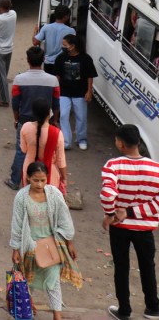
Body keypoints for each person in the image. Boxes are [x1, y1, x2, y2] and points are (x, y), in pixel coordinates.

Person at [101, 124, 159, 320]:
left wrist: (111, 214)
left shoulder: (113, 165)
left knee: (122, 267)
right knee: (148, 267)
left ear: (121, 143)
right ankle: (153, 308)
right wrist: (133, 212)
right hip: (145, 230)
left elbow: (108, 194)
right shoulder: (156, 169)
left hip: (120, 229)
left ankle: (124, 310)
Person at [11, 161, 82, 320]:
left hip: (52, 246)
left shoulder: (54, 194)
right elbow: (17, 224)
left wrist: (69, 242)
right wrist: (15, 248)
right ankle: (28, 303)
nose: (39, 184)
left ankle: (57, 315)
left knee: (53, 280)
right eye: (35, 180)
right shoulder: (21, 197)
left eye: (43, 180)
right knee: (28, 280)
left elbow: (65, 219)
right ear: (28, 178)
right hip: (29, 247)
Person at [7, 47, 60, 190]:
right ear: (43, 60)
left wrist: (16, 119)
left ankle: (14, 180)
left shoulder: (19, 79)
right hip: (46, 123)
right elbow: (56, 103)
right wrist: (54, 120)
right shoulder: (53, 80)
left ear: (28, 60)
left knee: (21, 151)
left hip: (25, 120)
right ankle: (42, 180)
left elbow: (15, 103)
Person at [54, 34, 96, 151]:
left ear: (72, 46)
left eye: (65, 45)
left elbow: (90, 76)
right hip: (64, 92)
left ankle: (81, 139)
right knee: (63, 116)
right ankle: (66, 141)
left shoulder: (86, 59)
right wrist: (55, 91)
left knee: (81, 117)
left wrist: (89, 91)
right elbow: (57, 76)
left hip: (80, 93)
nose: (63, 47)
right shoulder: (60, 58)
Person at [20, 98, 67, 191]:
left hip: (29, 171)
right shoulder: (57, 133)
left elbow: (24, 150)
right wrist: (64, 178)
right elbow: (61, 160)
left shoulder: (25, 127)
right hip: (48, 175)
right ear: (49, 113)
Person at [34, 6, 75, 76]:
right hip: (63, 62)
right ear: (66, 16)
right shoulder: (71, 31)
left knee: (50, 84)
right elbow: (73, 48)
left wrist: (35, 31)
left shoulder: (46, 27)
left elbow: (35, 42)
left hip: (48, 63)